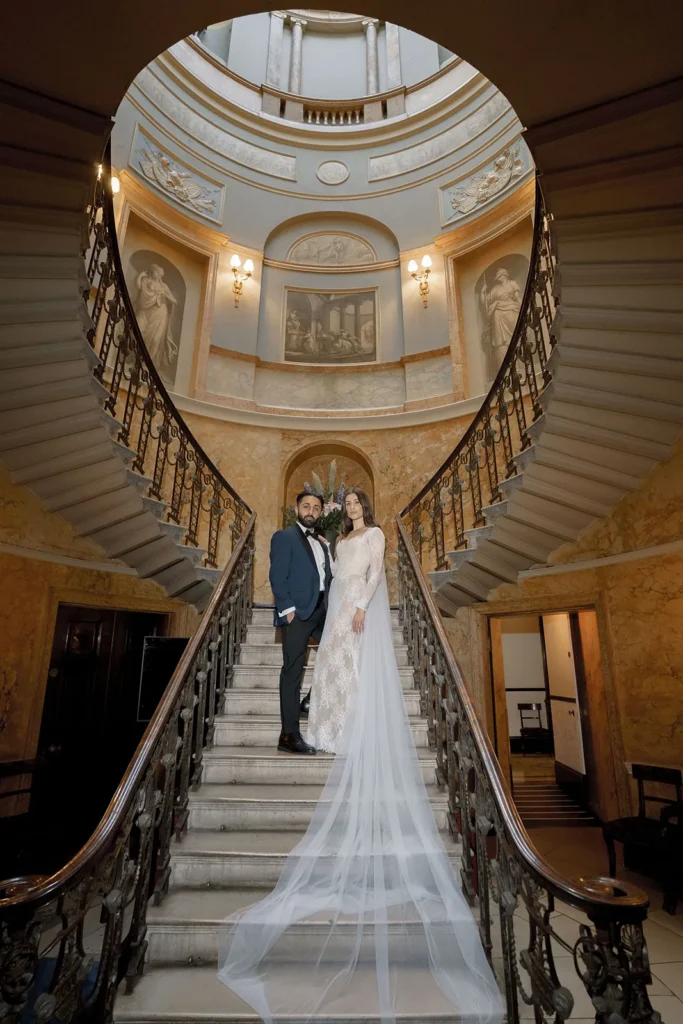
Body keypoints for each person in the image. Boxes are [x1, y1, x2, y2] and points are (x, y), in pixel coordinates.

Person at [217, 488, 503, 1024]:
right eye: (342, 504)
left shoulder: (371, 535)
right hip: (323, 609)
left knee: (346, 669)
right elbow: (313, 574)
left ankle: (347, 727)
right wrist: (309, 605)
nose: (348, 508)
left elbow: (372, 575)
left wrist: (358, 608)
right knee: (324, 673)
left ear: (364, 506)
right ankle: (320, 728)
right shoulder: (333, 537)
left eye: (353, 501)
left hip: (351, 608)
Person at [268, 491, 333, 755]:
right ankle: (288, 735)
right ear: (297, 509)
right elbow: (277, 576)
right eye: (306, 506)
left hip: (321, 611)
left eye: (316, 508)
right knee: (292, 672)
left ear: (321, 513)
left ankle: (310, 699)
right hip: (297, 614)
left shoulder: (322, 542)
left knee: (338, 653)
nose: (311, 511)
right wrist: (288, 610)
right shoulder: (284, 537)